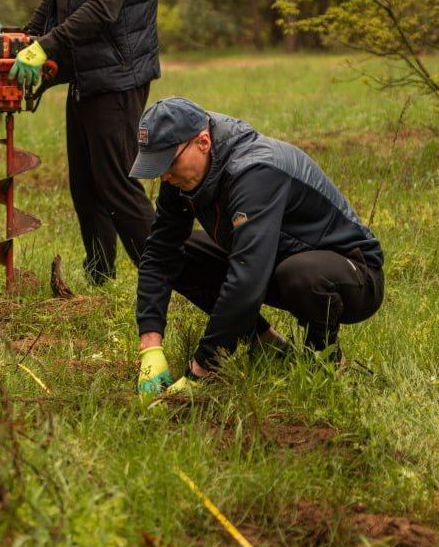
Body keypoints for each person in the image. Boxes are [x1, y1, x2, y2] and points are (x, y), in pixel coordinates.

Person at [129, 97, 385, 401]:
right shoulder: (181, 175)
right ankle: (266, 345)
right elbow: (160, 251)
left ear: (203, 141)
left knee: (300, 274)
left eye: (169, 163)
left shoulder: (254, 172)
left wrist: (200, 372)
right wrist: (150, 344)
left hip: (354, 275)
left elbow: (246, 281)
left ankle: (326, 359)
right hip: (275, 264)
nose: (164, 176)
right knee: (183, 251)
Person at [11, 0, 160, 284]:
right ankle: (100, 277)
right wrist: (27, 38)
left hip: (118, 74)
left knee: (117, 184)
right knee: (85, 185)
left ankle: (167, 278)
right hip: (86, 73)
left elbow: (100, 9)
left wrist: (45, 47)